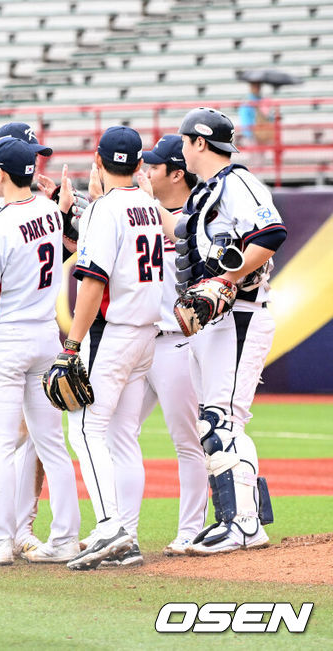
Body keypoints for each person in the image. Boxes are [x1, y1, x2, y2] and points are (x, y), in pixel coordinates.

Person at [0, 137, 81, 566]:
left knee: (2, 444)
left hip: (7, 343)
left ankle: (1, 542)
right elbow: (57, 232)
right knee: (51, 445)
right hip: (46, 336)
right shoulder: (48, 210)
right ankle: (65, 539)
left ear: (2, 173)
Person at [167, 107, 285, 555]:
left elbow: (271, 233)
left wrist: (227, 280)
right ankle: (246, 518)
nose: (181, 149)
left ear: (199, 142)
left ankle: (240, 524)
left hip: (241, 313)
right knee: (222, 421)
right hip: (217, 320)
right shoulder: (209, 190)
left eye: (184, 141)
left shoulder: (237, 182)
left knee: (219, 420)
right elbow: (185, 238)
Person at [58, 126, 164, 571]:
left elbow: (92, 280)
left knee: (84, 429)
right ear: (139, 165)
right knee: (122, 437)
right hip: (146, 335)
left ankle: (110, 528)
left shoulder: (105, 208)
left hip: (112, 331)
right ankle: (129, 535)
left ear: (97, 162)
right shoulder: (148, 205)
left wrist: (71, 345)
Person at [130, 135, 208, 560]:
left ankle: (191, 531)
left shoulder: (199, 216)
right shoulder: (144, 212)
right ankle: (119, 529)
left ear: (177, 173)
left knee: (187, 441)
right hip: (143, 341)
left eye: (154, 167)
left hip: (181, 342)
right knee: (113, 432)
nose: (146, 172)